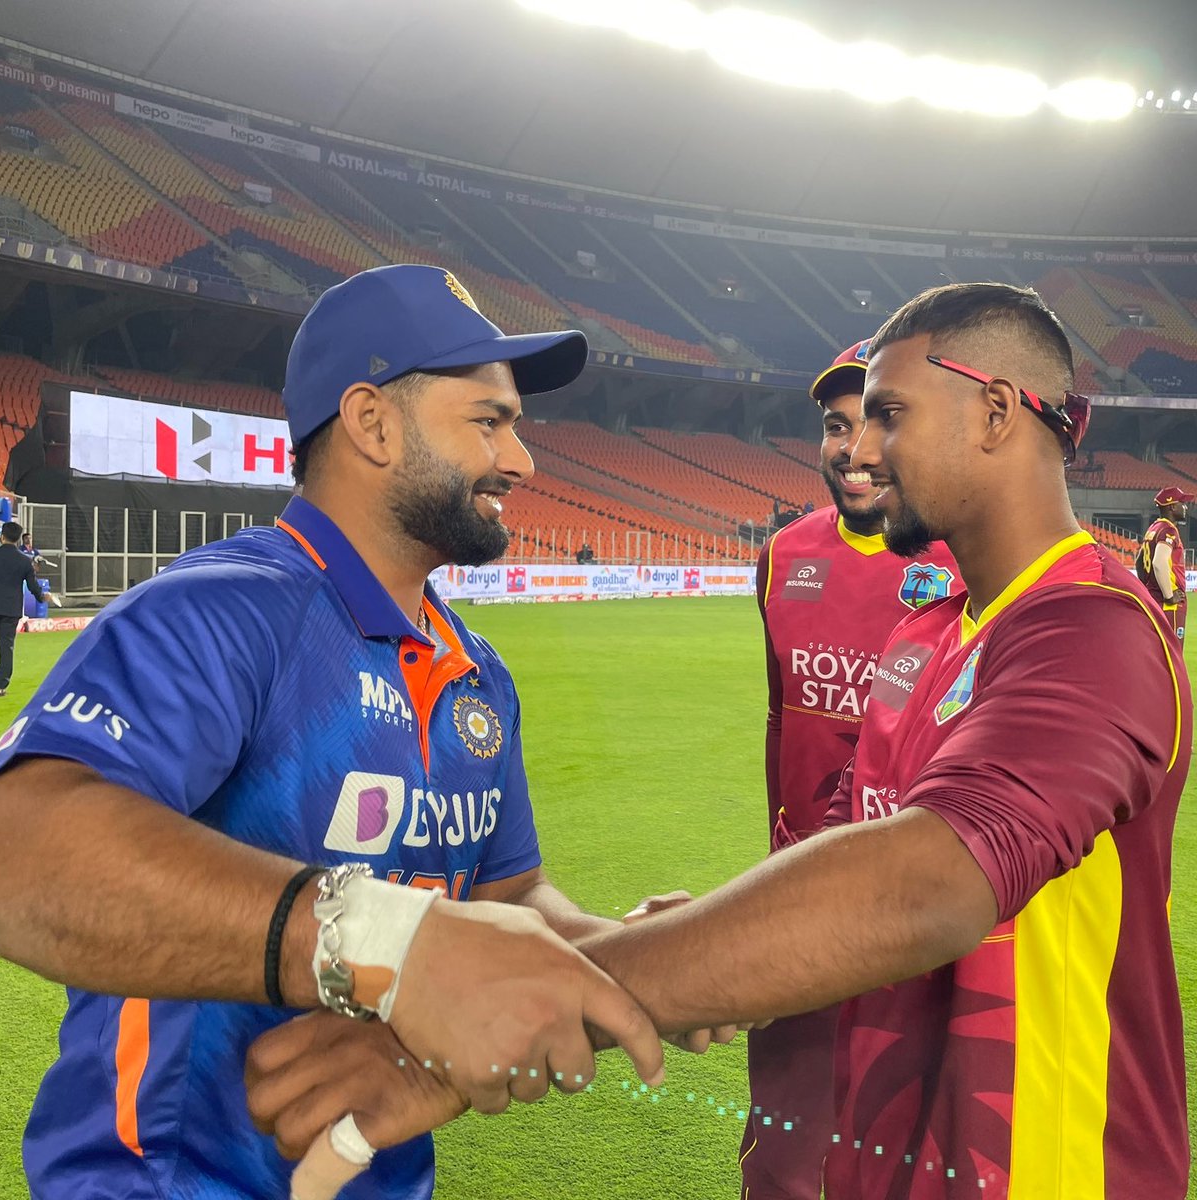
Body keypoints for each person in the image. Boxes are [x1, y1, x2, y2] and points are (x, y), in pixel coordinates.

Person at [253, 283, 1193, 1200]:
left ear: (996, 412)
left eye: (891, 413)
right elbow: (851, 848)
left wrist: (509, 1015)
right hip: (895, 1149)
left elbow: (928, 882)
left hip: (1045, 1160)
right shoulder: (930, 635)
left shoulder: (1094, 627)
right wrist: (706, 940)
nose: (861, 448)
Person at [0, 265, 677, 1200]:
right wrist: (383, 937)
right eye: (488, 421)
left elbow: (510, 890)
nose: (521, 461)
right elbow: (20, 847)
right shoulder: (221, 614)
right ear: (372, 422)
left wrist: (603, 952)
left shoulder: (477, 669)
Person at [742, 341, 958, 1200]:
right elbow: (779, 722)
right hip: (798, 907)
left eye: (876, 420)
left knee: (904, 1159)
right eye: (836, 425)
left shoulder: (957, 567)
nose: (853, 448)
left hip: (917, 918)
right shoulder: (783, 556)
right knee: (784, 1160)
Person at [1137, 484, 1194, 641]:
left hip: (1153, 598)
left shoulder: (1153, 528)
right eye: (1182, 503)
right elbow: (1159, 563)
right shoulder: (1169, 530)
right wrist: (1169, 596)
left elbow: (1139, 562)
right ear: (1172, 506)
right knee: (1172, 654)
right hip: (1168, 604)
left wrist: (1146, 589)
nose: (1185, 508)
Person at [0, 520, 44, 696]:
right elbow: (33, 587)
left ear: (2, 537)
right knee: (6, 648)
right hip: (10, 610)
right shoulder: (25, 561)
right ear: (18, 540)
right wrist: (42, 597)